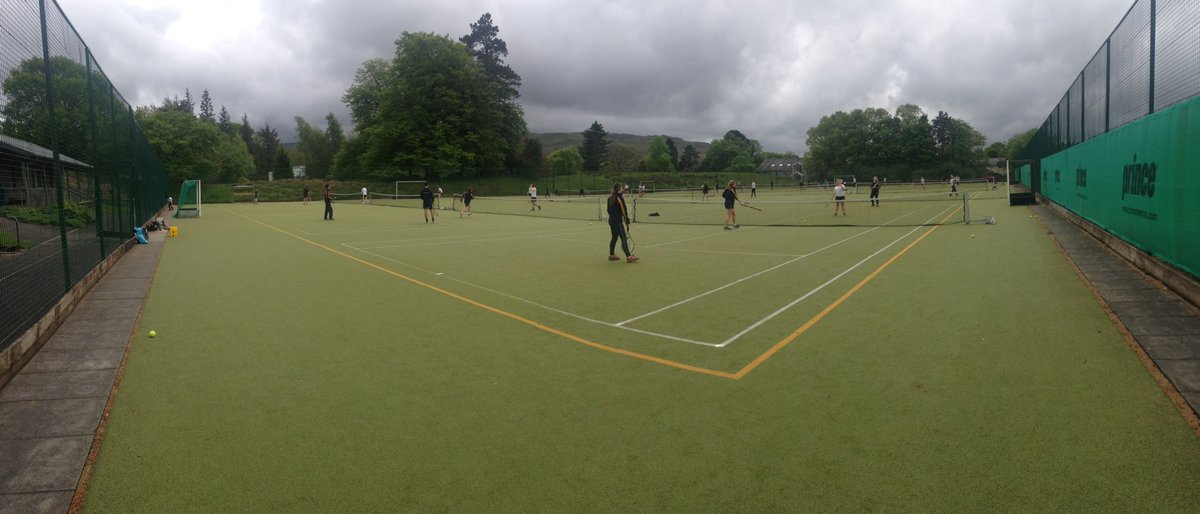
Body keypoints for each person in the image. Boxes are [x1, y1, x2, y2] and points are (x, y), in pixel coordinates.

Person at [606, 183, 638, 263]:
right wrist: (626, 220)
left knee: (614, 237)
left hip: (611, 221)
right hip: (617, 222)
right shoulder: (619, 198)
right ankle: (629, 256)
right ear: (619, 189)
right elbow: (624, 210)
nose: (623, 189)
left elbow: (608, 211)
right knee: (623, 237)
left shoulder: (610, 198)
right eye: (622, 188)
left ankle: (611, 255)